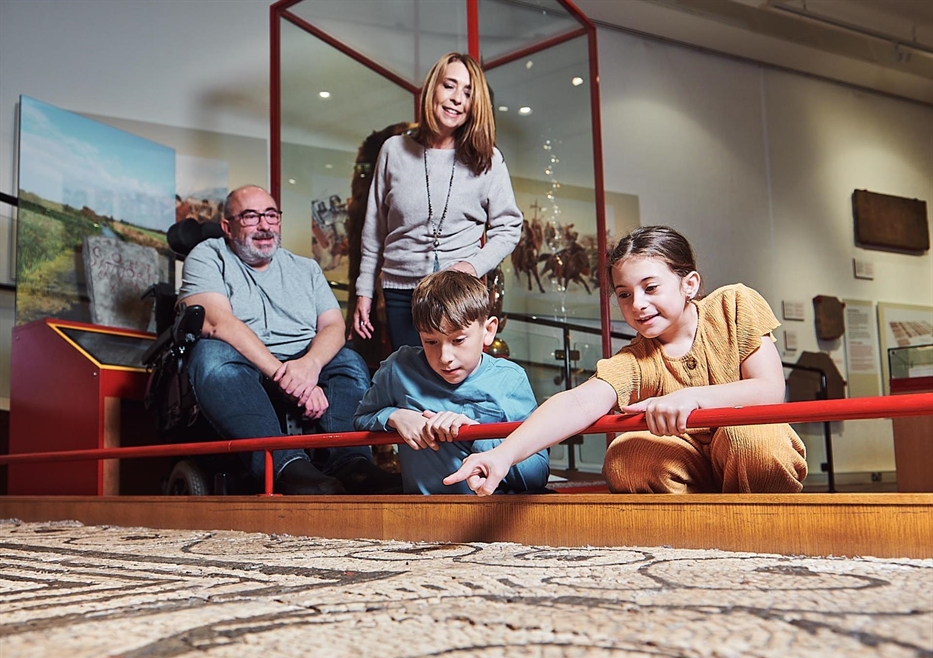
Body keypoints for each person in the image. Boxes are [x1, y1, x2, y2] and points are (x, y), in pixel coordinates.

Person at [444, 225, 808, 496]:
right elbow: (579, 401)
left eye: (651, 288)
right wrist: (503, 456)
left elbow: (770, 390)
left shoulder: (735, 304)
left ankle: (767, 527)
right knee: (625, 455)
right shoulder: (634, 359)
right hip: (690, 469)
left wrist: (690, 399)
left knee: (746, 436)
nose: (638, 305)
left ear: (689, 284)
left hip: (751, 452)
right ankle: (696, 533)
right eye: (624, 294)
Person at [178, 185, 392, 495]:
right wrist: (286, 376)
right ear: (227, 226)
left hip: (305, 362)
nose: (264, 225)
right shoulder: (207, 256)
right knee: (210, 355)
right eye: (250, 216)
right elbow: (217, 321)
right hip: (244, 364)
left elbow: (333, 324)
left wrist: (310, 366)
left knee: (348, 360)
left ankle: (352, 465)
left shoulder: (306, 268)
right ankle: (287, 467)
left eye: (271, 215)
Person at [352, 52, 522, 351]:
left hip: (459, 294)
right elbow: (373, 230)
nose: (457, 98)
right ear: (433, 88)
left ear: (475, 104)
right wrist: (364, 291)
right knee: (412, 385)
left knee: (452, 382)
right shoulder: (394, 150)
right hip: (400, 291)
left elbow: (509, 227)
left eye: (468, 92)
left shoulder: (488, 158)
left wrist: (472, 265)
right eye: (450, 85)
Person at [353, 270, 549, 494]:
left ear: (488, 330)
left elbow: (537, 475)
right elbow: (361, 418)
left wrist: (476, 435)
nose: (445, 357)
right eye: (431, 341)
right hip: (422, 517)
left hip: (493, 514)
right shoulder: (398, 368)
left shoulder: (510, 380)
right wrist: (395, 416)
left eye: (458, 340)